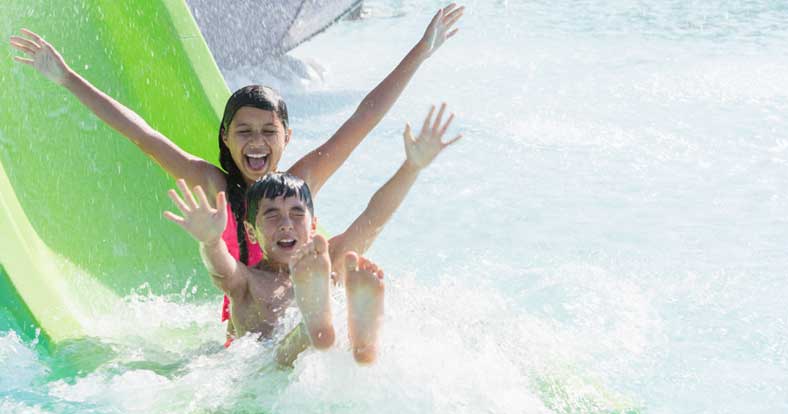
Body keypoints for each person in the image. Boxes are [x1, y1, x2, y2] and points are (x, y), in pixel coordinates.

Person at [8, 4, 465, 340]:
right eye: (243, 131)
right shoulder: (213, 185)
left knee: (340, 258)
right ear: (225, 137)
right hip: (247, 311)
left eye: (269, 131)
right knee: (291, 310)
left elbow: (363, 118)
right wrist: (68, 78)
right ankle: (326, 325)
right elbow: (143, 136)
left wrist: (421, 52)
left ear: (287, 136)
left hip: (298, 294)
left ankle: (335, 325)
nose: (257, 142)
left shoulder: (300, 185)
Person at [163, 103, 461, 365]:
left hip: (312, 368)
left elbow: (373, 217)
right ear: (251, 233)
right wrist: (211, 240)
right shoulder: (245, 282)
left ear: (313, 225)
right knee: (274, 357)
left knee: (346, 348)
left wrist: (412, 167)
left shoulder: (326, 258)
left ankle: (358, 337)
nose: (286, 224)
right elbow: (219, 265)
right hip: (268, 370)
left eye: (296, 214)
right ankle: (317, 326)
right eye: (272, 215)